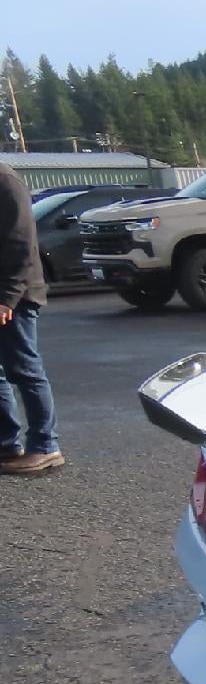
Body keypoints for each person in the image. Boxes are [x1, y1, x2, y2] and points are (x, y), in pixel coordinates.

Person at [0, 160, 63, 475]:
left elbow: (21, 243)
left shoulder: (5, 180)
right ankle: (7, 445)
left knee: (25, 369)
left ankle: (45, 446)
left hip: (16, 296)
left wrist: (7, 298)